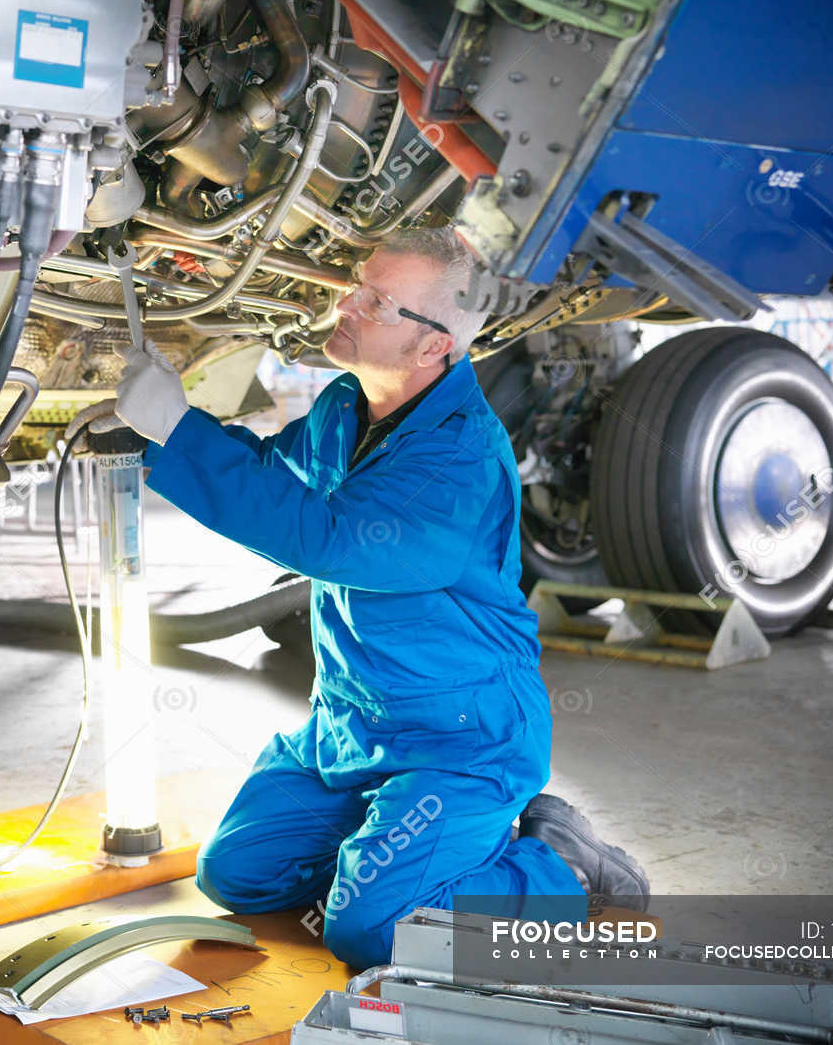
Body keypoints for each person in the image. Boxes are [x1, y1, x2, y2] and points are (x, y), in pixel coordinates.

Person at [112, 225, 648, 969]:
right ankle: (400, 868)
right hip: (352, 724)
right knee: (237, 874)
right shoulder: (345, 406)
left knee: (368, 935)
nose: (348, 303)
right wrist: (159, 435)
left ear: (434, 347)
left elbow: (326, 535)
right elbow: (273, 472)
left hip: (457, 741)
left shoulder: (458, 456)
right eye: (357, 285)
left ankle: (558, 869)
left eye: (377, 301)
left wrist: (176, 428)